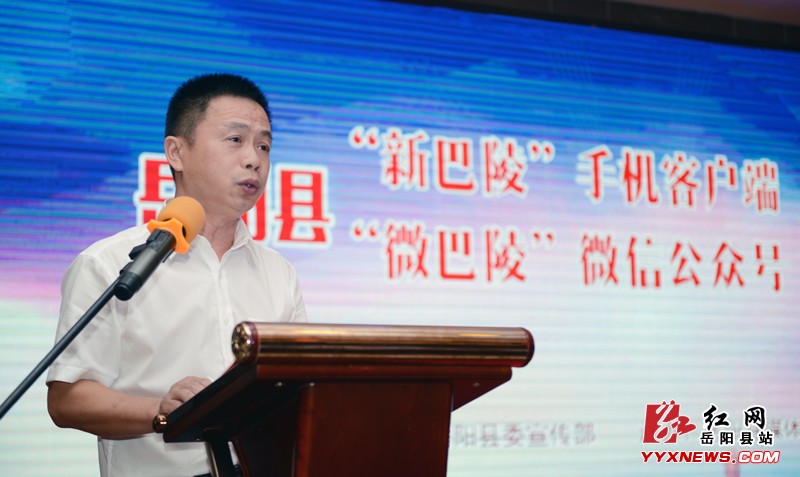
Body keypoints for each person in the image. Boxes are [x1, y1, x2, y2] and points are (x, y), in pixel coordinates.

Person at [46, 73, 307, 477]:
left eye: (264, 146)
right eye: (235, 139)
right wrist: (161, 410)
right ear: (176, 152)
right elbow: (67, 399)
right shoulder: (109, 264)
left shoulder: (279, 273)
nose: (254, 159)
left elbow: (298, 389)